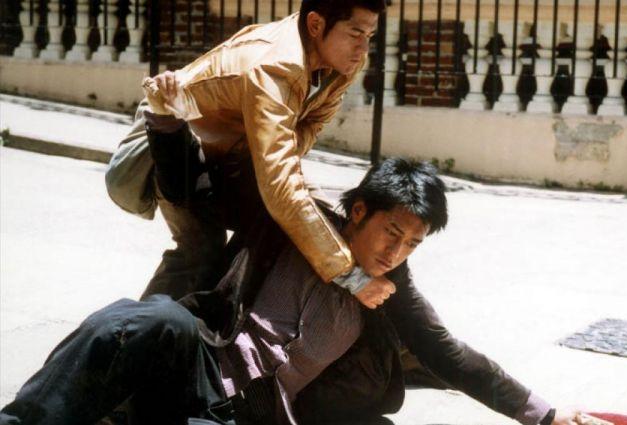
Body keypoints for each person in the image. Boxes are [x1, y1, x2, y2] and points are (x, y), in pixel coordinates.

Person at [1, 159, 582, 425]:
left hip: (254, 416)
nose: (397, 252)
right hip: (200, 363)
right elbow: (205, 188)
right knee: (145, 319)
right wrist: (169, 123)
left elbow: (451, 355)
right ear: (359, 211)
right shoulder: (294, 222)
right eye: (392, 232)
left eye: (412, 244)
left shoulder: (392, 289)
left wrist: (545, 415)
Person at [129, 0, 396, 309]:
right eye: (355, 34)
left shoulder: (340, 61)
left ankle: (216, 324)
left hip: (237, 156)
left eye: (369, 36)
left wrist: (273, 158)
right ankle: (131, 334)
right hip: (177, 142)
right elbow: (281, 188)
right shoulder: (275, 66)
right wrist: (352, 277)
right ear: (316, 25)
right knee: (201, 251)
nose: (363, 49)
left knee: (314, 220)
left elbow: (311, 126)